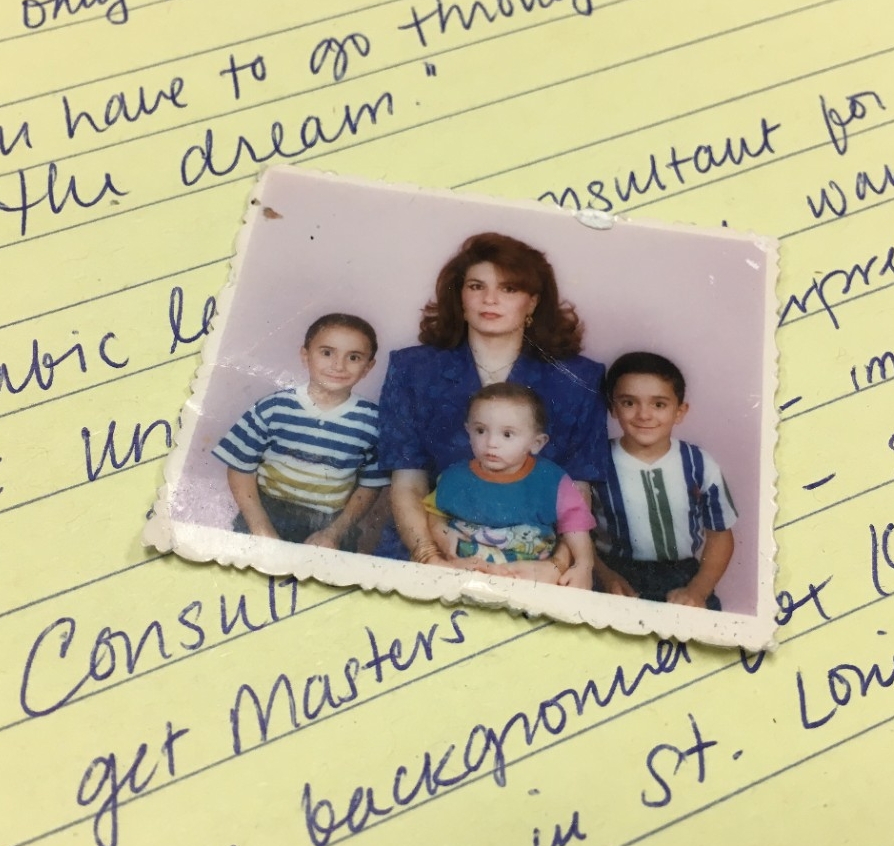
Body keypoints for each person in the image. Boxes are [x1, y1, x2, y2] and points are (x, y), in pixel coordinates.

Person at [376, 231, 608, 579]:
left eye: (509, 289)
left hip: (537, 564)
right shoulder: (412, 369)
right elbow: (408, 481)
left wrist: (557, 566)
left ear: (532, 302)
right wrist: (430, 559)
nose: (490, 299)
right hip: (429, 550)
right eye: (476, 286)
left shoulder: (579, 379)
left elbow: (576, 487)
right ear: (460, 297)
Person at [213, 313, 389, 548]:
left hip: (331, 523)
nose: (338, 365)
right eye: (327, 353)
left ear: (368, 367)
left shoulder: (373, 422)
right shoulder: (273, 407)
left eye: (354, 357)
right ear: (305, 356)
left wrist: (334, 533)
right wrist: (261, 529)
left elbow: (370, 485)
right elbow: (240, 468)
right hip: (267, 512)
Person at [594, 351, 737, 610]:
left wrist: (698, 590)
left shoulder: (699, 463)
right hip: (614, 574)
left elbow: (720, 537)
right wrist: (606, 577)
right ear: (612, 407)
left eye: (658, 404)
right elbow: (575, 533)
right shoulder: (595, 462)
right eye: (629, 403)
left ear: (680, 411)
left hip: (683, 576)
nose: (644, 415)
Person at [424, 383, 596, 587]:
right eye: (480, 431)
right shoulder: (455, 476)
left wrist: (584, 565)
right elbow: (435, 511)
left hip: (529, 577)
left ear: (537, 443)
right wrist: (441, 533)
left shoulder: (552, 480)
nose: (491, 443)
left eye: (507, 434)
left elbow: (576, 524)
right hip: (466, 572)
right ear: (467, 431)